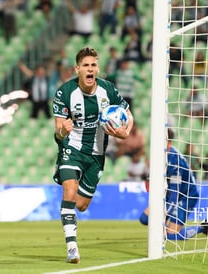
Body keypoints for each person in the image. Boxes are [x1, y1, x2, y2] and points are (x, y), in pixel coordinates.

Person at [52, 47, 134, 263]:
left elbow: (127, 114)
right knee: (69, 191)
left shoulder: (108, 91)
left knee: (81, 205)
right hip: (72, 148)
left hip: (96, 154)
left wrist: (126, 132)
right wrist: (64, 130)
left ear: (98, 68)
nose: (90, 69)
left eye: (94, 65)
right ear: (77, 69)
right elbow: (58, 132)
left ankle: (67, 212)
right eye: (86, 65)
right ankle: (72, 247)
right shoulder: (65, 93)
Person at [139, 129, 208, 241]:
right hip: (169, 192)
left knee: (172, 235)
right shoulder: (159, 156)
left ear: (170, 143)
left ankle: (203, 227)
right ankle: (164, 230)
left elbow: (175, 192)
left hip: (187, 195)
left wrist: (165, 213)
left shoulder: (175, 162)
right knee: (144, 219)